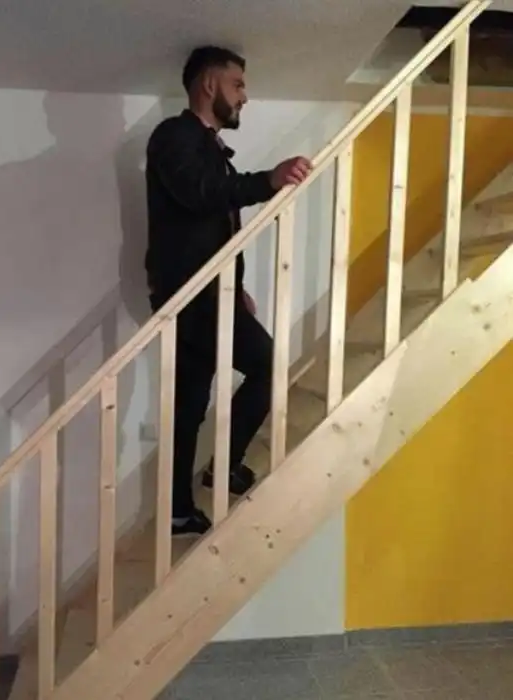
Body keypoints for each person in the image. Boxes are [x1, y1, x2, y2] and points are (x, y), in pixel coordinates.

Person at [145, 45, 312, 536]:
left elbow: (214, 228)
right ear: (209, 84)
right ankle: (224, 467)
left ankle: (178, 511)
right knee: (267, 366)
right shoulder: (174, 136)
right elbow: (199, 195)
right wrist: (268, 181)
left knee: (190, 405)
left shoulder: (208, 148)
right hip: (194, 295)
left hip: (206, 293)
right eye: (237, 84)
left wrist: (236, 288)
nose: (244, 96)